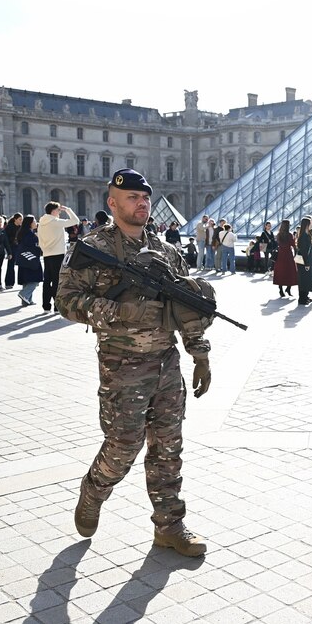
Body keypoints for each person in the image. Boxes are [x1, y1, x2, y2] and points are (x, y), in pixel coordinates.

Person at [57, 168, 212, 558]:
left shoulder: (166, 252)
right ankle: (93, 490)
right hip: (121, 366)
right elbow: (66, 302)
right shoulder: (94, 249)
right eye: (132, 198)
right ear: (113, 202)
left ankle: (170, 526)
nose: (141, 203)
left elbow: (187, 308)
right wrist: (119, 311)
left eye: (145, 198)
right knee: (123, 446)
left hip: (166, 364)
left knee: (168, 447)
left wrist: (200, 353)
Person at [37, 201, 79, 313]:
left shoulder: (41, 222)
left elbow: (39, 239)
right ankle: (56, 306)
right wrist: (68, 210)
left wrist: (44, 249)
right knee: (57, 280)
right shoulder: (55, 222)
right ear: (53, 211)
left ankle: (46, 306)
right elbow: (75, 221)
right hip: (58, 254)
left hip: (46, 254)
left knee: (47, 280)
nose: (59, 212)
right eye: (58, 210)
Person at [15, 215, 41, 306]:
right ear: (30, 223)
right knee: (35, 279)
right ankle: (24, 294)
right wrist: (37, 239)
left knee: (27, 280)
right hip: (30, 259)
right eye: (34, 221)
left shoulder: (24, 232)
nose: (36, 223)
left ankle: (27, 300)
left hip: (24, 259)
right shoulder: (29, 234)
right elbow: (31, 246)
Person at [273, 220, 298, 297]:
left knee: (280, 272)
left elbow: (276, 244)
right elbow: (293, 245)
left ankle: (281, 289)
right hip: (288, 255)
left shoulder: (279, 235)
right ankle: (288, 288)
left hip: (280, 256)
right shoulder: (290, 235)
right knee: (291, 272)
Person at [4, 213, 22, 289]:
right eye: (20, 219)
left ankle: (23, 281)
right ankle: (9, 282)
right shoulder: (9, 227)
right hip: (12, 248)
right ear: (15, 219)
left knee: (22, 265)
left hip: (20, 248)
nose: (21, 221)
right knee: (11, 265)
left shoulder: (21, 227)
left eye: (22, 219)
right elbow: (6, 239)